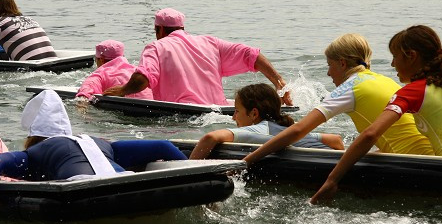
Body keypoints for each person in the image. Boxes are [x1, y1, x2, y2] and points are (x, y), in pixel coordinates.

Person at [311, 25, 442, 204]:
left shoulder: (413, 91)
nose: (393, 64)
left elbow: (371, 134)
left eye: (395, 56)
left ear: (411, 56)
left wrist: (332, 179)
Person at [244, 33, 434, 167]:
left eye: (330, 65)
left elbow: (299, 130)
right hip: (430, 155)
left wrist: (248, 160)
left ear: (342, 63)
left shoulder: (351, 86)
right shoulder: (384, 79)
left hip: (410, 162)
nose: (328, 72)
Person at [0, 90, 188, 194]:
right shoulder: (102, 143)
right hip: (127, 183)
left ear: (32, 137)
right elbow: (164, 146)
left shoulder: (34, 154)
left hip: (81, 191)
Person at [103, 8, 293, 106]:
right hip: (218, 112)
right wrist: (279, 81)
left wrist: (123, 90)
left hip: (181, 118)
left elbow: (141, 79)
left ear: (159, 29)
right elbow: (252, 55)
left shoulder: (155, 47)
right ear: (183, 27)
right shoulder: (210, 42)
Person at [190, 83, 343, 159]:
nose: (233, 117)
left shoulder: (258, 129)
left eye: (237, 111)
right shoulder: (290, 129)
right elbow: (335, 140)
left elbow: (210, 138)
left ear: (254, 113)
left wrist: (192, 173)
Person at [76, 39, 153, 100]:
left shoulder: (101, 73)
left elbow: (85, 92)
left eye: (96, 59)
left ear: (101, 59)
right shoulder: (137, 70)